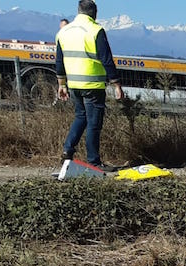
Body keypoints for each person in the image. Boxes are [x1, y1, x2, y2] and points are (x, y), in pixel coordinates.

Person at [55, 1, 124, 169]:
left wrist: (62, 84)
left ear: (78, 11)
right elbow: (106, 59)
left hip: (74, 85)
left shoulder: (63, 32)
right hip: (93, 85)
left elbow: (59, 60)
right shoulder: (96, 30)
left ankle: (68, 150)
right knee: (94, 124)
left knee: (80, 117)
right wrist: (116, 84)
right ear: (94, 13)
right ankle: (94, 162)